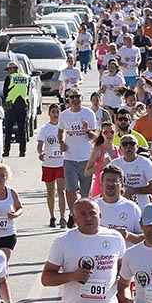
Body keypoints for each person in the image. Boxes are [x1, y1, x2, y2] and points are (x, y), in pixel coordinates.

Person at [94, 165, 144, 303]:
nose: (111, 184)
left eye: (116, 181)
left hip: (124, 273)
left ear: (122, 185)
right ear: (102, 183)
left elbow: (146, 237)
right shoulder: (94, 206)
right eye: (108, 181)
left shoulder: (131, 208)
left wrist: (130, 235)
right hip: (97, 273)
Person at [60, 89, 99, 227]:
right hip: (69, 158)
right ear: (68, 99)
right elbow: (60, 131)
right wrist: (61, 143)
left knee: (84, 193)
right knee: (70, 189)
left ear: (81, 98)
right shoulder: (64, 115)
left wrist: (88, 130)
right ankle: (73, 214)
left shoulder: (88, 113)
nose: (75, 99)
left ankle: (84, 216)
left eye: (77, 96)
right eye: (72, 97)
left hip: (85, 158)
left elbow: (95, 136)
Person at [37, 103, 67, 227]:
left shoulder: (63, 129)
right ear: (49, 113)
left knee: (61, 191)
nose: (56, 114)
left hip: (61, 163)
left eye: (57, 112)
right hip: (49, 163)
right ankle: (52, 217)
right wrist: (41, 153)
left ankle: (63, 217)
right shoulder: (45, 129)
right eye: (53, 112)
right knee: (50, 191)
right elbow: (39, 145)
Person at [111, 134, 152, 207]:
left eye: (132, 144)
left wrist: (135, 191)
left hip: (141, 207)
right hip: (119, 206)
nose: (128, 146)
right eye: (125, 144)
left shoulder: (145, 162)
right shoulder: (114, 164)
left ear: (137, 147)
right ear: (120, 148)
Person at [86, 122, 120, 198]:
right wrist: (101, 165)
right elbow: (87, 172)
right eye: (106, 132)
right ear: (102, 133)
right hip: (99, 188)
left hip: (115, 189)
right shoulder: (98, 149)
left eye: (112, 132)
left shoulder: (118, 149)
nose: (109, 135)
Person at [1, 61, 29, 157]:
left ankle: (7, 151)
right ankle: (22, 151)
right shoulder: (26, 78)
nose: (8, 72)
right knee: (22, 130)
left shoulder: (9, 78)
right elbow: (27, 91)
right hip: (22, 106)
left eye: (8, 70)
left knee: (8, 130)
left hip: (11, 107)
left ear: (12, 69)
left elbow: (5, 92)